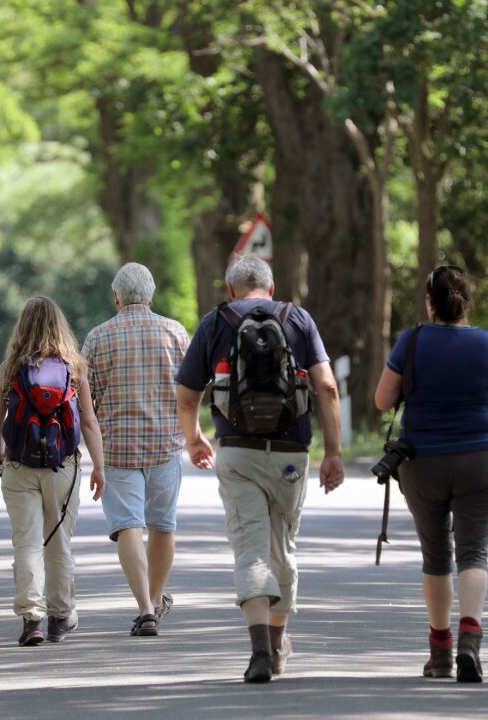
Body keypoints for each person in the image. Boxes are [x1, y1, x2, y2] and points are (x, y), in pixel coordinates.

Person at [175, 254, 344, 683]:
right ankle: (278, 639)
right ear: (271, 287)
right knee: (282, 549)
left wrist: (195, 438)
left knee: (249, 548)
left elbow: (187, 391)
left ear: (231, 290)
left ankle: (260, 653)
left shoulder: (216, 322)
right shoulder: (298, 318)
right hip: (290, 453)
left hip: (236, 452)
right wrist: (334, 453)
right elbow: (326, 385)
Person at [373, 264, 488, 683]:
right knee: (474, 553)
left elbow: (383, 399)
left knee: (436, 556)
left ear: (430, 302)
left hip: (424, 462)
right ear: (466, 302)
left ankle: (440, 653)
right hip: (480, 459)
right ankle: (471, 643)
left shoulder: (412, 341)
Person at [0, 296, 106, 646]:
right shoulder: (74, 366)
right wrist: (99, 467)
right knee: (59, 543)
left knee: (26, 543)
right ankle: (59, 617)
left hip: (19, 466)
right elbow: (88, 421)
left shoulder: (10, 367)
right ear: (60, 325)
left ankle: (31, 620)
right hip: (63, 467)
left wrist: (2, 457)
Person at [81, 263, 190, 637]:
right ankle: (155, 602)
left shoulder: (97, 337)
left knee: (128, 525)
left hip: (117, 448)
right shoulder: (175, 332)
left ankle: (145, 608)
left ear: (116, 298)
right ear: (151, 295)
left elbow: (86, 398)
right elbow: (191, 390)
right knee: (163, 526)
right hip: (166, 444)